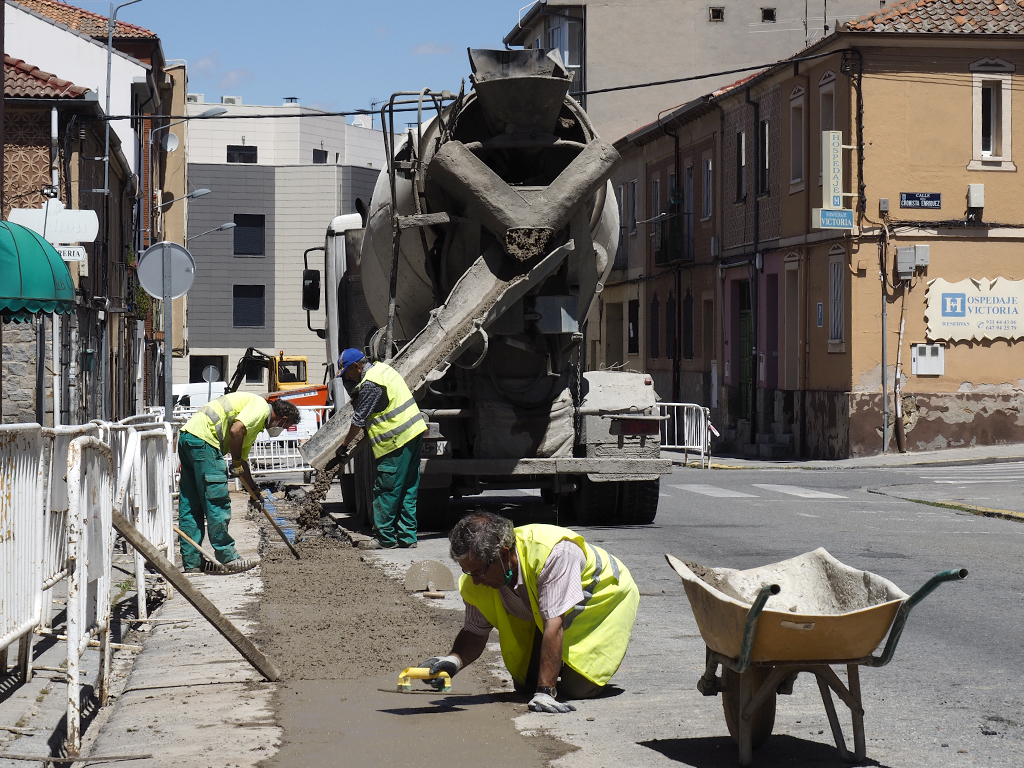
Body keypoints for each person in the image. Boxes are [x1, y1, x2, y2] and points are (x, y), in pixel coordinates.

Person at [420, 512, 640, 713]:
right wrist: (453, 661)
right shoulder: (478, 578)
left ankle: (566, 673)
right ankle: (555, 665)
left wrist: (546, 692)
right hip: (545, 611)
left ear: (504, 555)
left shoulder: (554, 554)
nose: (475, 581)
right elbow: (475, 631)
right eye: (467, 571)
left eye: (479, 572)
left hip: (603, 598)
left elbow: (554, 623)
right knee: (525, 684)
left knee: (577, 689)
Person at [178, 392, 300, 573]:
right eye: (285, 426)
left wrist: (254, 491)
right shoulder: (259, 407)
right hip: (205, 442)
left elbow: (242, 462)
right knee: (216, 501)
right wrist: (234, 463)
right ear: (281, 418)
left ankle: (192, 562)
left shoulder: (255, 422)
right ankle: (227, 557)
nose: (280, 429)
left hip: (189, 438)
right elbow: (236, 430)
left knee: (191, 503)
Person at [335, 348, 426, 550]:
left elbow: (358, 419)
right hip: (414, 432)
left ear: (356, 367)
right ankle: (408, 537)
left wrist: (344, 446)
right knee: (407, 489)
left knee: (386, 489)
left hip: (395, 441)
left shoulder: (370, 384)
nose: (346, 377)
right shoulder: (384, 370)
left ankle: (384, 538)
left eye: (347, 373)